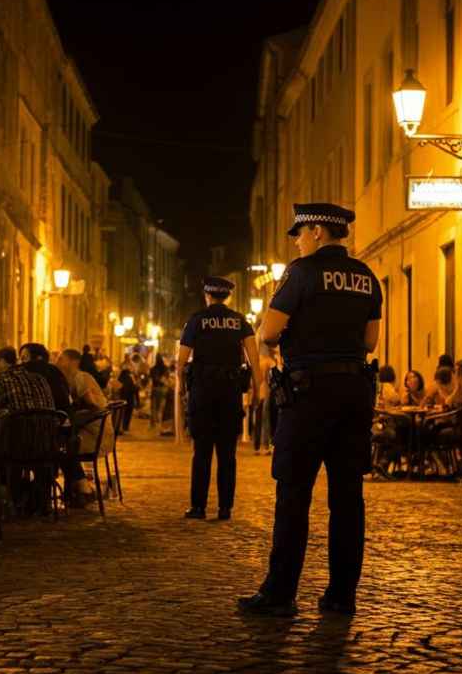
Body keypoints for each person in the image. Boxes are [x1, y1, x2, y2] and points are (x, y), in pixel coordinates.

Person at [239, 202, 380, 617]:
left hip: (308, 395)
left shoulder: (300, 274)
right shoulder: (367, 277)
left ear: (317, 230)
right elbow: (370, 342)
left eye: (299, 233)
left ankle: (280, 592)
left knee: (294, 493)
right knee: (348, 497)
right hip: (354, 393)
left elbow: (269, 331)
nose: (297, 241)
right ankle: (341, 596)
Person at [176, 276, 260, 521]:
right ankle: (225, 508)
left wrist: (181, 389)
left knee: (201, 452)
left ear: (207, 295)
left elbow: (181, 361)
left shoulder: (197, 321)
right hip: (230, 393)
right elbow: (253, 358)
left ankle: (198, 507)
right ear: (228, 296)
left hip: (202, 393)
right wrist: (257, 387)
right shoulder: (240, 321)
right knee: (227, 454)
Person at [55, 348, 113, 505]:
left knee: (62, 448)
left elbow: (93, 405)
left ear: (74, 361)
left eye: (61, 358)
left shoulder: (81, 377)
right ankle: (79, 488)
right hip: (92, 431)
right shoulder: (73, 378)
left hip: (96, 435)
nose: (57, 362)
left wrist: (74, 417)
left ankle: (83, 489)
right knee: (63, 446)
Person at [0, 346, 56, 414]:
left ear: (2, 361)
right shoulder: (40, 378)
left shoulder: (2, 381)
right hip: (48, 424)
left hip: (18, 424)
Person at [19, 342, 72, 411]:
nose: (21, 362)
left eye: (24, 358)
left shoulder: (30, 372)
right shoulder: (55, 370)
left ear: (39, 358)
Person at [149, 353, 170, 430]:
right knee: (160, 406)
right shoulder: (165, 368)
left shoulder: (152, 369)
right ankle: (158, 421)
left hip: (154, 388)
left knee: (153, 406)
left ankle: (153, 423)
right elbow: (167, 377)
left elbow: (151, 379)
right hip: (162, 389)